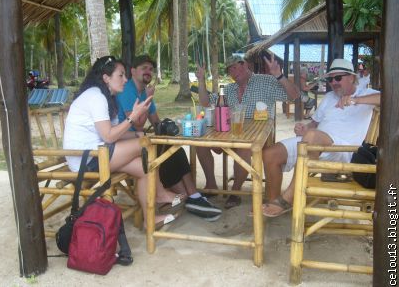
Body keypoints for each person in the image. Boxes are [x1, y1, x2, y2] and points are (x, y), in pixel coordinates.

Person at [63, 56, 185, 263]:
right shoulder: (96, 97)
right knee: (145, 146)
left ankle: (150, 219)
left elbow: (112, 134)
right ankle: (161, 192)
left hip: (99, 152)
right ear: (106, 77)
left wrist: (138, 134)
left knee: (142, 164)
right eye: (120, 75)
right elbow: (109, 136)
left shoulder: (107, 98)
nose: (125, 79)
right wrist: (133, 118)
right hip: (86, 160)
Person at [262, 58, 381, 217]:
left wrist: (356, 100)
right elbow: (314, 124)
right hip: (314, 143)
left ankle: (289, 198)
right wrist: (304, 128)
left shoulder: (366, 94)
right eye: (330, 79)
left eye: (338, 78)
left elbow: (390, 98)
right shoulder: (329, 97)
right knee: (270, 153)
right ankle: (273, 200)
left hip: (345, 150)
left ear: (352, 77)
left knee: (311, 138)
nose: (334, 82)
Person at [116, 54, 222, 221]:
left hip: (137, 139)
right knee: (164, 153)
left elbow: (156, 121)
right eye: (144, 68)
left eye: (151, 69)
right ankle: (189, 195)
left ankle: (191, 194)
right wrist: (149, 99)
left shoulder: (143, 91)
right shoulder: (128, 90)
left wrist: (171, 129)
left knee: (175, 149)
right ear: (133, 71)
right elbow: (137, 124)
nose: (148, 71)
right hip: (125, 142)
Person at [196, 54, 300, 209]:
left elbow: (294, 96)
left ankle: (235, 192)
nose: (232, 71)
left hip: (260, 135)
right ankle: (211, 184)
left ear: (245, 65)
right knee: (200, 143)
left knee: (245, 146)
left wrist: (279, 75)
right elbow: (205, 102)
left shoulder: (265, 81)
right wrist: (201, 80)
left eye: (235, 67)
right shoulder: (229, 89)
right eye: (230, 69)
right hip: (231, 133)